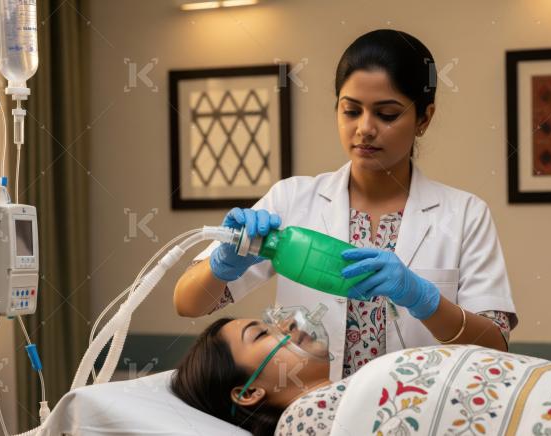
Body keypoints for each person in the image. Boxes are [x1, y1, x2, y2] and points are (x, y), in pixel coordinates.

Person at [173, 29, 517, 382]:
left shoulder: (465, 215)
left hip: (419, 415)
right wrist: (221, 266)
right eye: (351, 110)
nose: (365, 129)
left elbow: (494, 347)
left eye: (387, 114)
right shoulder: (292, 200)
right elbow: (188, 304)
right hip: (311, 414)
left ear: (424, 119)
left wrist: (425, 300)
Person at [171, 316, 551, 436]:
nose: (286, 321)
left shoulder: (355, 384)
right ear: (249, 390)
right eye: (263, 334)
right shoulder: (307, 423)